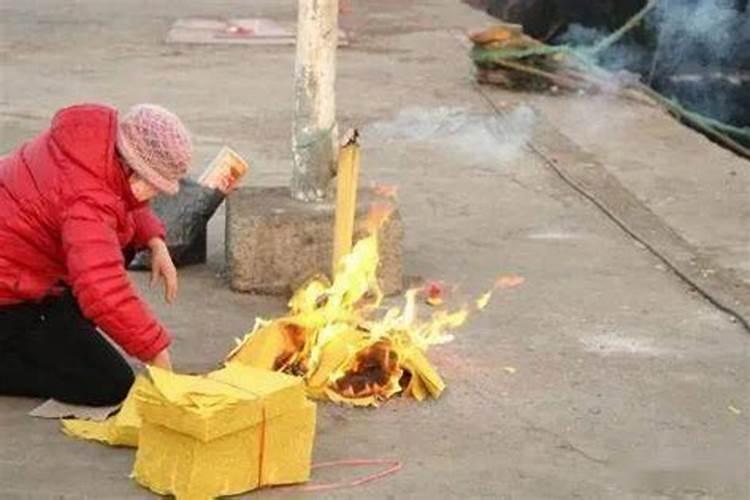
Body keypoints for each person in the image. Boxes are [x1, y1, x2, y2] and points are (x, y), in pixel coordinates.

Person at [0, 103, 192, 406]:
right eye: (154, 186)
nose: (155, 195)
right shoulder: (86, 200)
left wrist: (155, 241)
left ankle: (51, 326)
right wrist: (158, 356)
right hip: (8, 294)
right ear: (132, 168)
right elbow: (102, 288)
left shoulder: (95, 146)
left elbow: (122, 201)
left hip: (25, 269)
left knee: (122, 245)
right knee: (108, 384)